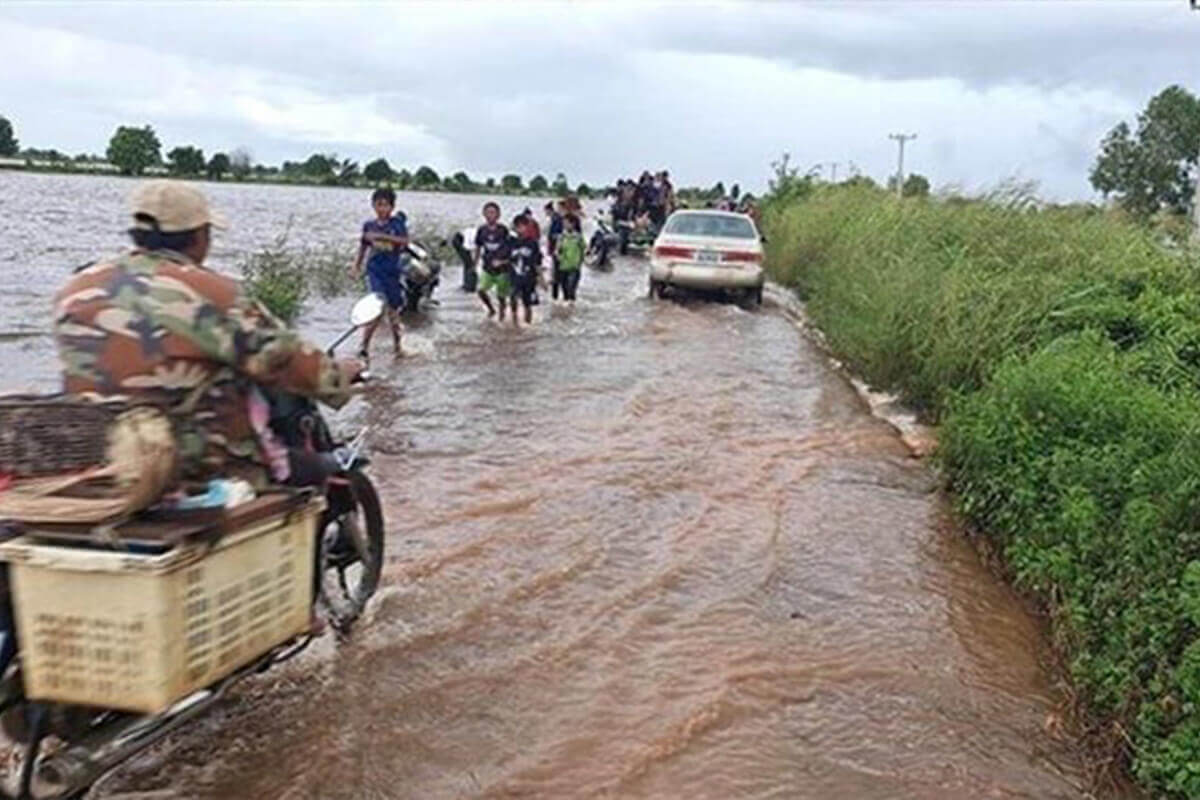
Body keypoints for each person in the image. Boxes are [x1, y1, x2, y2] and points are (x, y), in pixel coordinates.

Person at [53, 180, 364, 489]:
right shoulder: (212, 293)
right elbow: (283, 356)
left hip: (92, 453)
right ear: (200, 236)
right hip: (186, 465)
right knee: (299, 464)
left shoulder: (75, 289)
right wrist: (336, 377)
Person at [351, 187, 407, 361]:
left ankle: (398, 346)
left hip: (392, 272)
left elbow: (404, 241)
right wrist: (356, 266)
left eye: (386, 205)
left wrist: (383, 237)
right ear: (373, 206)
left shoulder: (397, 224)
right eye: (378, 205)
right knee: (376, 307)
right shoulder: (369, 226)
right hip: (375, 271)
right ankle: (364, 347)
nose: (382, 209)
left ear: (392, 207)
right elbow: (363, 246)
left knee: (393, 312)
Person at [473, 201, 511, 320]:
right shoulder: (481, 230)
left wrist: (503, 261)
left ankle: (502, 316)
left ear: (498, 215)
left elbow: (509, 248)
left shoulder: (503, 230)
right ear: (484, 214)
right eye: (488, 212)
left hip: (502, 269)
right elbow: (478, 246)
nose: (490, 215)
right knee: (480, 290)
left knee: (501, 297)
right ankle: (491, 309)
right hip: (487, 267)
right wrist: (475, 263)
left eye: (493, 212)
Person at [508, 214, 543, 326]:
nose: (520, 229)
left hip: (529, 278)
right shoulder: (510, 242)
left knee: (527, 303)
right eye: (518, 226)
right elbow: (505, 257)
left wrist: (541, 279)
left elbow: (537, 262)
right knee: (513, 297)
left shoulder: (532, 243)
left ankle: (527, 323)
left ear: (527, 227)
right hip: (514, 276)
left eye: (523, 226)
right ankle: (514, 321)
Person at [554, 212, 585, 304]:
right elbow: (557, 250)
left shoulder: (579, 237)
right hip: (563, 266)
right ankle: (567, 311)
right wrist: (557, 255)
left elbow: (584, 249)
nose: (564, 225)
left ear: (573, 224)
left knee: (571, 288)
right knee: (565, 290)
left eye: (567, 223)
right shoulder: (561, 237)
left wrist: (581, 262)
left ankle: (572, 306)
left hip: (575, 267)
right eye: (564, 223)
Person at [545, 200, 565, 299]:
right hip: (556, 249)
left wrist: (552, 248)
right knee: (556, 272)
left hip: (557, 249)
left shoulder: (556, 219)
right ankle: (557, 295)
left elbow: (555, 235)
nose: (546, 214)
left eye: (546, 211)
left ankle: (555, 296)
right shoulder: (556, 218)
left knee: (556, 274)